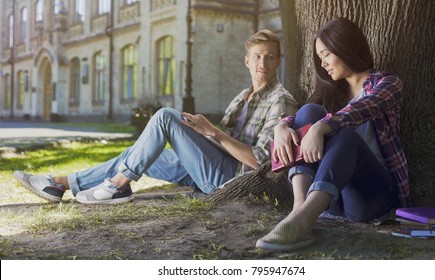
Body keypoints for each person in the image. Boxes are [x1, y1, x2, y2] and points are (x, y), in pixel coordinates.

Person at [14, 29, 298, 205]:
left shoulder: (280, 100)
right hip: (210, 168)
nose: (263, 63)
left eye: (270, 57)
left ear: (278, 61)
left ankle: (118, 185)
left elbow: (262, 162)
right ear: (247, 61)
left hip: (230, 180)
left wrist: (212, 132)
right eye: (258, 57)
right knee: (137, 152)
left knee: (165, 116)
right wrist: (195, 131)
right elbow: (218, 145)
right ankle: (60, 184)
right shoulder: (242, 97)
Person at [255, 18, 411, 251]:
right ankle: (300, 210)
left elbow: (362, 109)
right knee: (309, 111)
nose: (323, 63)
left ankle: (302, 219)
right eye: (320, 58)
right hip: (333, 197)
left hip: (373, 195)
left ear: (344, 46)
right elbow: (300, 117)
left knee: (346, 136)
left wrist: (322, 127)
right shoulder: (330, 92)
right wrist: (281, 126)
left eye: (326, 54)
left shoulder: (387, 83)